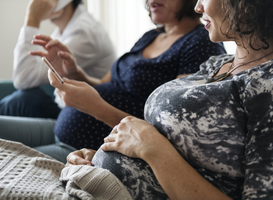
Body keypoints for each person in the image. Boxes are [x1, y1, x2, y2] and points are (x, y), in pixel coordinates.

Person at [62, 0, 273, 199]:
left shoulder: (266, 85)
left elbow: (156, 147)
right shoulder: (217, 64)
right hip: (91, 182)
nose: (198, 7)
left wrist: (153, 150)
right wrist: (100, 156)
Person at [19, 0, 226, 160]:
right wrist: (73, 72)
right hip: (59, 127)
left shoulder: (200, 44)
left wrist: (96, 108)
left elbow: (172, 135)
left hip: (83, 149)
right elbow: (103, 85)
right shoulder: (151, 36)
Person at [0, 0, 116, 119]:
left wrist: (32, 19)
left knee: (23, 100)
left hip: (79, 116)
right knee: (22, 97)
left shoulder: (84, 32)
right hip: (66, 106)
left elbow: (22, 79)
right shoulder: (68, 28)